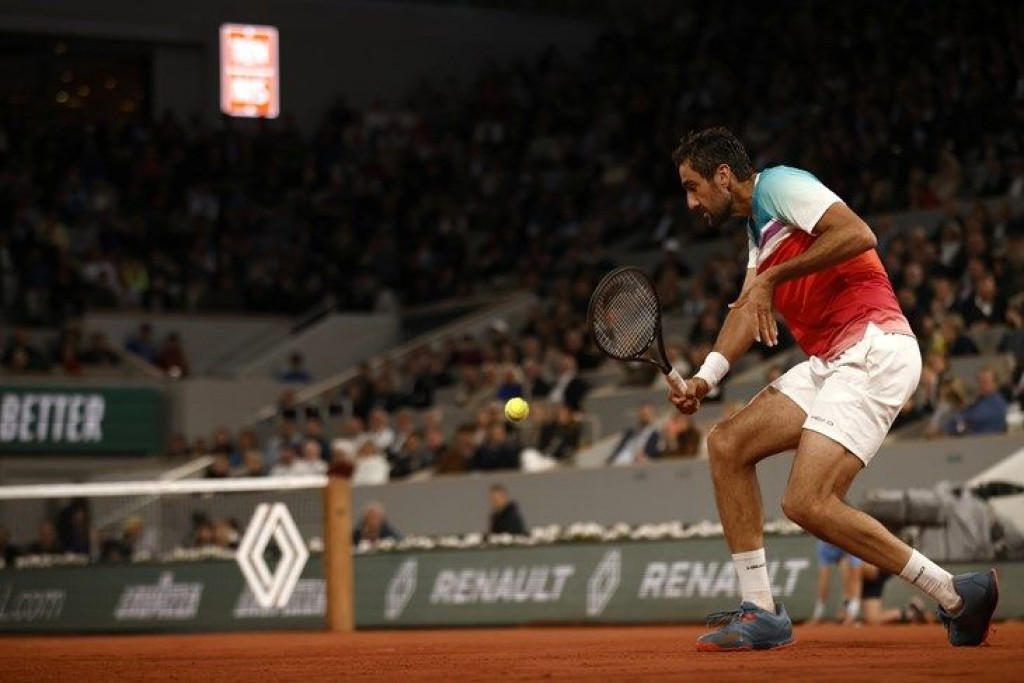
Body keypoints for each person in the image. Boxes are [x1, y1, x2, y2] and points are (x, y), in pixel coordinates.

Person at [668, 128, 997, 651]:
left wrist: (773, 281)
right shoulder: (758, 229)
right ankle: (762, 612)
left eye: (692, 186)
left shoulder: (780, 185)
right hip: (830, 362)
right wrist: (707, 376)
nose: (690, 201)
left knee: (807, 500)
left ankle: (956, 593)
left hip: (873, 348)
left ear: (723, 176)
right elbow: (746, 310)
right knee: (727, 444)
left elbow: (857, 234)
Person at [938, 367, 1009, 436]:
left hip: (987, 442)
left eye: (985, 382)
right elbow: (959, 419)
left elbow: (972, 418)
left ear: (995, 384)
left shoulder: (996, 403)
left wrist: (957, 423)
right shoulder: (978, 401)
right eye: (979, 381)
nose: (981, 385)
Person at [808, 540, 862, 625]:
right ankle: (818, 613)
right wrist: (817, 614)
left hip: (870, 569)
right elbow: (823, 580)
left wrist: (853, 612)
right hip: (847, 564)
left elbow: (856, 579)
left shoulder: (850, 541)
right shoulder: (823, 545)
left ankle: (849, 609)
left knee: (845, 566)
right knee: (823, 577)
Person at [859, 563, 931, 626]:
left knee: (872, 620)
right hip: (872, 568)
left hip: (874, 565)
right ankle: (911, 613)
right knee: (872, 619)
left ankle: (911, 613)